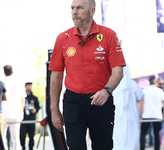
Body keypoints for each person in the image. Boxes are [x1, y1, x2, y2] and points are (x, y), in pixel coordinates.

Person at [49, 0, 126, 149]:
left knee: (103, 146)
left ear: (92, 11)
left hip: (101, 100)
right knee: (75, 146)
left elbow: (118, 71)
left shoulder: (108, 35)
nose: (74, 12)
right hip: (73, 102)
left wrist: (106, 91)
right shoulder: (62, 38)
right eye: (72, 8)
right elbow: (56, 76)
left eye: (79, 8)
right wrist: (54, 109)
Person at [112, 65, 144, 150]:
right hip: (132, 117)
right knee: (131, 138)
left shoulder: (112, 85)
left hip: (117, 117)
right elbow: (141, 97)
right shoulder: (132, 84)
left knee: (117, 138)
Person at [140, 76, 164, 150]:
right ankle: (157, 149)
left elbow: (142, 104)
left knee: (143, 133)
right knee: (156, 134)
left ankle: (142, 148)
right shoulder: (160, 91)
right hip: (157, 116)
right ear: (155, 82)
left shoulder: (144, 91)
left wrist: (140, 115)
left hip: (146, 115)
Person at [2, 65, 26, 150]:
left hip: (4, 113)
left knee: (2, 135)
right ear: (12, 72)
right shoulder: (18, 82)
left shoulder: (2, 82)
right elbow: (22, 98)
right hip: (16, 113)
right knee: (15, 137)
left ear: (4, 72)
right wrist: (22, 111)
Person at [20, 82, 40, 150]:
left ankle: (31, 148)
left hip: (31, 119)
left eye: (30, 86)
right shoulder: (22, 97)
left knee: (31, 136)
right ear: (25, 87)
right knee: (22, 135)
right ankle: (23, 147)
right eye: (28, 86)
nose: (29, 87)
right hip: (23, 119)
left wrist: (35, 110)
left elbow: (38, 107)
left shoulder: (34, 98)